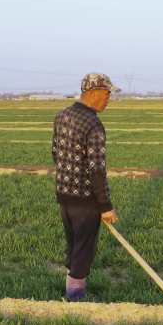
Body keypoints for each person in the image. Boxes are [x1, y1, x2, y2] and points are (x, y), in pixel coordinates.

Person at [51, 73, 120, 301]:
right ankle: (75, 298)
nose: (109, 99)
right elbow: (97, 170)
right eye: (108, 94)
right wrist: (106, 206)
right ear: (94, 93)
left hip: (64, 196)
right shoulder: (94, 125)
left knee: (74, 246)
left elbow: (56, 154)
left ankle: (71, 289)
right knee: (83, 250)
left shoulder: (62, 116)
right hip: (85, 200)